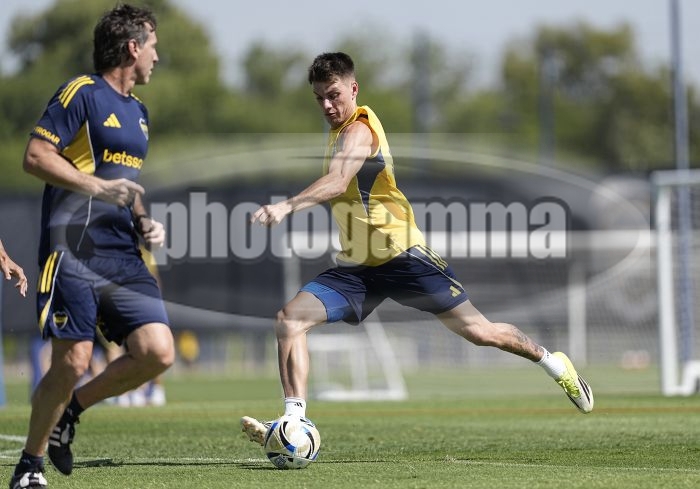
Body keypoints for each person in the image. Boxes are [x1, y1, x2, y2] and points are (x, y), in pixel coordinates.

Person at [240, 52, 593, 444]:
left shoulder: (359, 131)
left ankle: (552, 363)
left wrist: (287, 206)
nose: (326, 105)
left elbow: (338, 181)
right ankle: (294, 421)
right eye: (319, 98)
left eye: (333, 94)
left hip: (404, 256)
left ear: (353, 89)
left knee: (479, 332)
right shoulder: (337, 134)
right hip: (359, 267)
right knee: (289, 320)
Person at [9, 5, 174, 488]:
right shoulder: (81, 93)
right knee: (74, 360)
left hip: (121, 252)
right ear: (133, 47)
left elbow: (126, 184)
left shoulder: (139, 114)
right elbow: (35, 156)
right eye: (153, 46)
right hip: (73, 250)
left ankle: (71, 412)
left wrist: (143, 221)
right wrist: (97, 188)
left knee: (158, 352)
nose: (157, 56)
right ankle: (29, 467)